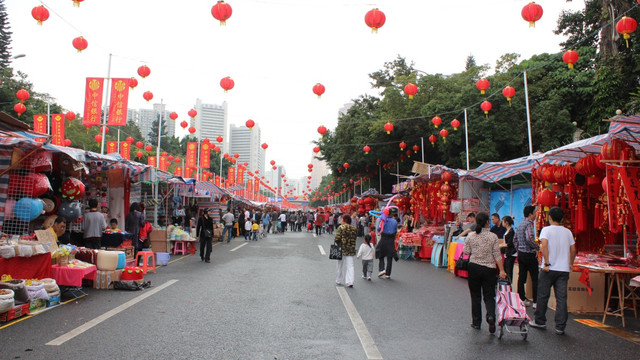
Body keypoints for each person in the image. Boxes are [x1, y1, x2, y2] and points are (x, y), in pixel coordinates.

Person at [529, 207, 576, 335]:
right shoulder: (568, 232)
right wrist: (570, 263)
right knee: (561, 298)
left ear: (549, 217)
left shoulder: (546, 230)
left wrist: (547, 262)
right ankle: (560, 326)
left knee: (543, 295)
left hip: (548, 268)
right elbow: (573, 250)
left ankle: (540, 321)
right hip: (563, 269)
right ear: (561, 219)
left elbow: (544, 245)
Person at [462, 212, 507, 333]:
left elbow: (466, 251)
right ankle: (491, 316)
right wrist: (502, 270)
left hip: (474, 267)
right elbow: (497, 255)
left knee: (475, 295)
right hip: (489, 268)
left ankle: (476, 322)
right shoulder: (493, 237)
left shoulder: (471, 236)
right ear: (487, 222)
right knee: (489, 295)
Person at [515, 205, 539, 307]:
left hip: (521, 253)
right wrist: (536, 247)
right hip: (529, 254)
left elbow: (514, 239)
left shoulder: (520, 224)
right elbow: (529, 238)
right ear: (530, 214)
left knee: (521, 277)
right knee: (534, 278)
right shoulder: (529, 224)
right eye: (534, 213)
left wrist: (519, 249)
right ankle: (535, 301)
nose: (536, 215)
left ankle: (521, 298)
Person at [335, 214, 357, 288]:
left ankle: (339, 280)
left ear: (345, 220)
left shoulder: (341, 228)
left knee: (339, 265)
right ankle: (350, 281)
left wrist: (339, 243)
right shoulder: (354, 229)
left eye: (342, 219)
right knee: (350, 266)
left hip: (341, 249)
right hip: (350, 249)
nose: (341, 221)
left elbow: (337, 239)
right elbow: (354, 238)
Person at [377, 211, 399, 279]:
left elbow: (378, 228)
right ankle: (388, 274)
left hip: (383, 238)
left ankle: (382, 269)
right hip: (391, 239)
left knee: (380, 253)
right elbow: (396, 230)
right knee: (390, 257)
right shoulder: (394, 221)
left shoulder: (382, 220)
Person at [502, 216, 516, 284]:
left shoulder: (511, 232)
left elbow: (510, 244)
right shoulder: (507, 231)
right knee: (506, 269)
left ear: (506, 223)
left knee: (509, 270)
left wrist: (501, 245)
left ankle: (509, 285)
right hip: (507, 252)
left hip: (511, 253)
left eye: (503, 221)